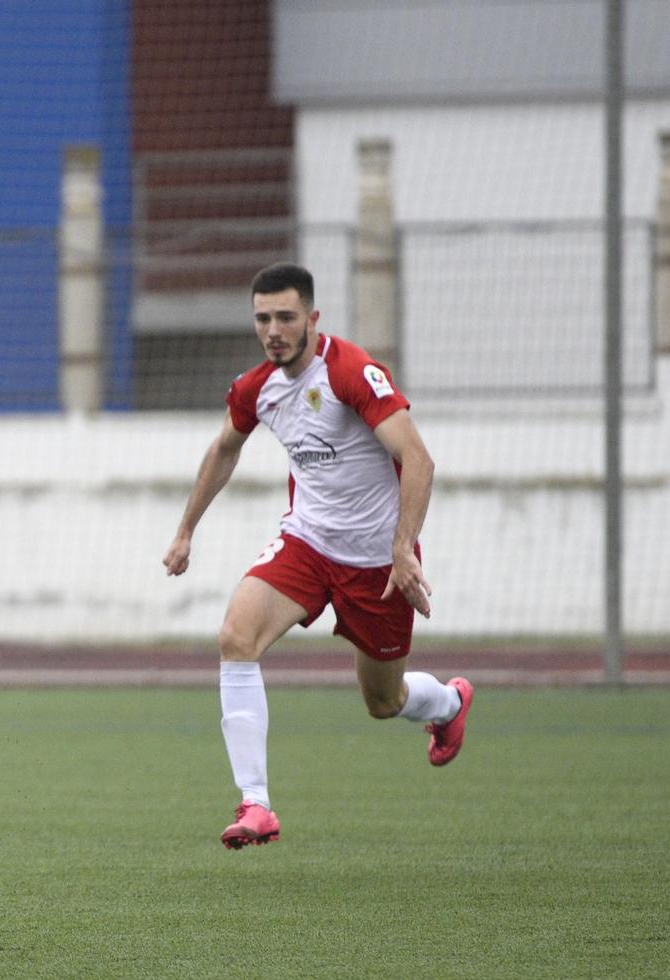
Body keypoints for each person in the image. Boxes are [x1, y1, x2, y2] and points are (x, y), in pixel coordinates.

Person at [163, 262, 474, 849]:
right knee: (236, 637)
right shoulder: (258, 387)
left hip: (377, 562)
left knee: (384, 702)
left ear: (312, 317)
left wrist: (402, 547)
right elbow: (224, 448)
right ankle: (256, 804)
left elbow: (419, 460)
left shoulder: (352, 372)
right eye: (262, 318)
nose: (273, 330)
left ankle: (451, 701)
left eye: (285, 317)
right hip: (305, 543)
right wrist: (186, 530)